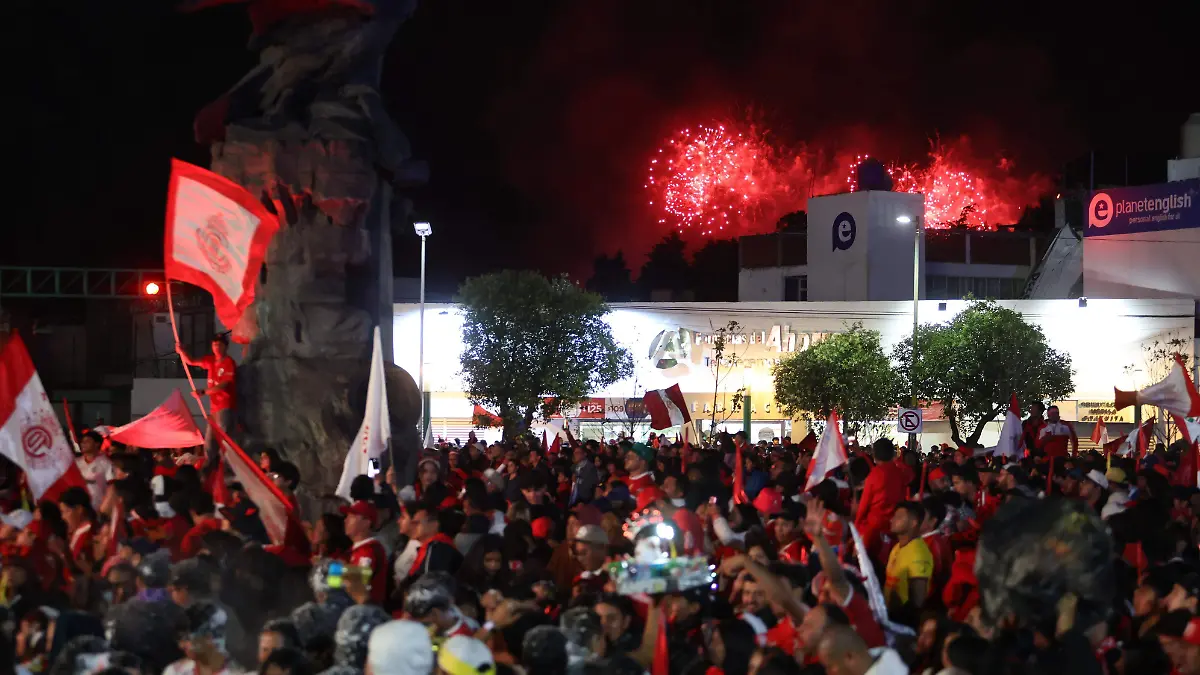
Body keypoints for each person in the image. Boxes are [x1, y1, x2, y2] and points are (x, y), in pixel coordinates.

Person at [177, 334, 237, 460]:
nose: (216, 347)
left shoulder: (228, 362)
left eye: (220, 344)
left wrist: (204, 392)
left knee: (224, 442)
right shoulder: (210, 361)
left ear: (226, 347)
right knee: (209, 445)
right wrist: (182, 352)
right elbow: (191, 361)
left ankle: (225, 469)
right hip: (213, 409)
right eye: (214, 344)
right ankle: (210, 470)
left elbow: (224, 385)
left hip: (225, 406)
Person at [883, 501, 933, 623]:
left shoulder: (919, 554)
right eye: (894, 516)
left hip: (902, 622)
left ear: (914, 523)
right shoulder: (897, 547)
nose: (892, 520)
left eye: (899, 517)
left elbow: (918, 601)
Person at [342, 501, 388, 606]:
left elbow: (357, 585)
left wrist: (334, 569)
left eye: (352, 516)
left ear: (366, 522)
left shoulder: (369, 551)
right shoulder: (356, 550)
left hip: (366, 613)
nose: (346, 520)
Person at [75, 430, 112, 509]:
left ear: (97, 444)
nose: (83, 444)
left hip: (98, 506)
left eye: (87, 441)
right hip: (78, 507)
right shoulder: (76, 463)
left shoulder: (106, 463)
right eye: (82, 442)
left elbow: (111, 488)